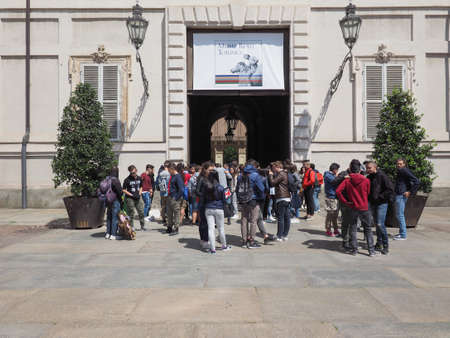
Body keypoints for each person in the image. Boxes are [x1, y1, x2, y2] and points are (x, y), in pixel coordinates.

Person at [336, 159, 377, 257]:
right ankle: (371, 250)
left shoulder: (347, 180)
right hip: (364, 207)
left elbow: (338, 191)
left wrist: (345, 201)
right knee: (367, 228)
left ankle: (354, 250)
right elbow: (367, 193)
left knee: (353, 228)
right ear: (359, 170)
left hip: (353, 206)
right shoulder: (366, 180)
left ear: (350, 169)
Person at [366, 161, 394, 255]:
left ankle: (386, 246)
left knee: (380, 224)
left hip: (382, 203)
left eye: (369, 168)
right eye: (367, 168)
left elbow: (390, 189)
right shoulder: (369, 177)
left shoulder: (382, 176)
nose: (368, 169)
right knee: (377, 224)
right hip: (373, 203)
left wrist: (380, 197)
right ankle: (379, 243)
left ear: (375, 167)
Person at [237, 160, 265, 249]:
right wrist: (261, 197)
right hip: (253, 200)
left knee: (244, 220)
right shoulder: (255, 176)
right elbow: (261, 188)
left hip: (243, 201)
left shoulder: (240, 176)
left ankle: (244, 241)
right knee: (253, 221)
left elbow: (238, 189)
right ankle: (252, 241)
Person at [204, 170, 231, 254]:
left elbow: (203, 198)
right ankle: (224, 246)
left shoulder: (206, 186)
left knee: (210, 229)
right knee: (221, 228)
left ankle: (212, 249)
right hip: (219, 209)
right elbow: (226, 200)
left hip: (208, 208)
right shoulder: (221, 187)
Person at [393, 158, 420, 240]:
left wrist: (410, 192)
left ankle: (403, 235)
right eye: (398, 164)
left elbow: (417, 181)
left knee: (400, 215)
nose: (399, 165)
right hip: (399, 194)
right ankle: (401, 233)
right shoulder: (401, 171)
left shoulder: (404, 170)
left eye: (400, 164)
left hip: (401, 195)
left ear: (404, 164)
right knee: (399, 214)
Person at [268, 161, 291, 241]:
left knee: (281, 218)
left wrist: (270, 175)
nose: (273, 169)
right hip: (287, 197)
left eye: (274, 167)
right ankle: (284, 235)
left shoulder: (281, 174)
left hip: (281, 197)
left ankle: (279, 236)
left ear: (277, 167)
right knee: (287, 217)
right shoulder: (285, 173)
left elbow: (272, 183)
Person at [196, 161, 215, 250]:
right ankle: (204, 240)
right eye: (210, 170)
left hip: (210, 203)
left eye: (212, 170)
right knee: (204, 222)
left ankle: (206, 239)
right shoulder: (201, 178)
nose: (211, 172)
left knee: (209, 223)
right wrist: (204, 195)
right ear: (205, 169)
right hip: (203, 203)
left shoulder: (212, 178)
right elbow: (197, 191)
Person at [123, 165, 147, 231]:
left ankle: (142, 226)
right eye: (131, 173)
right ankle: (131, 226)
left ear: (136, 170)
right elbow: (124, 190)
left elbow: (141, 186)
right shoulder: (127, 179)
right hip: (130, 198)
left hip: (138, 197)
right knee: (131, 213)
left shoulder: (139, 178)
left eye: (134, 172)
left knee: (141, 212)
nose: (133, 174)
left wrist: (140, 193)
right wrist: (131, 195)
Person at [104, 166, 123, 240]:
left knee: (109, 217)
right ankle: (113, 234)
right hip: (115, 200)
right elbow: (120, 192)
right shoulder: (115, 180)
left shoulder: (107, 179)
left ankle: (108, 233)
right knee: (115, 217)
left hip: (108, 201)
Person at [166, 162, 184, 235]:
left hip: (175, 197)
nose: (168, 171)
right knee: (169, 213)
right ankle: (169, 227)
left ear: (172, 169)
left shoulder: (178, 177)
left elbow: (181, 189)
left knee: (176, 213)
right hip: (170, 196)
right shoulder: (172, 176)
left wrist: (176, 198)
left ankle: (176, 228)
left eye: (169, 170)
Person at [324, 163, 341, 237]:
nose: (337, 171)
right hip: (331, 197)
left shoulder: (332, 175)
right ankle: (328, 230)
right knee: (330, 215)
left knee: (335, 215)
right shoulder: (328, 176)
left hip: (335, 197)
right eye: (337, 170)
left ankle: (335, 229)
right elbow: (335, 181)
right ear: (334, 169)